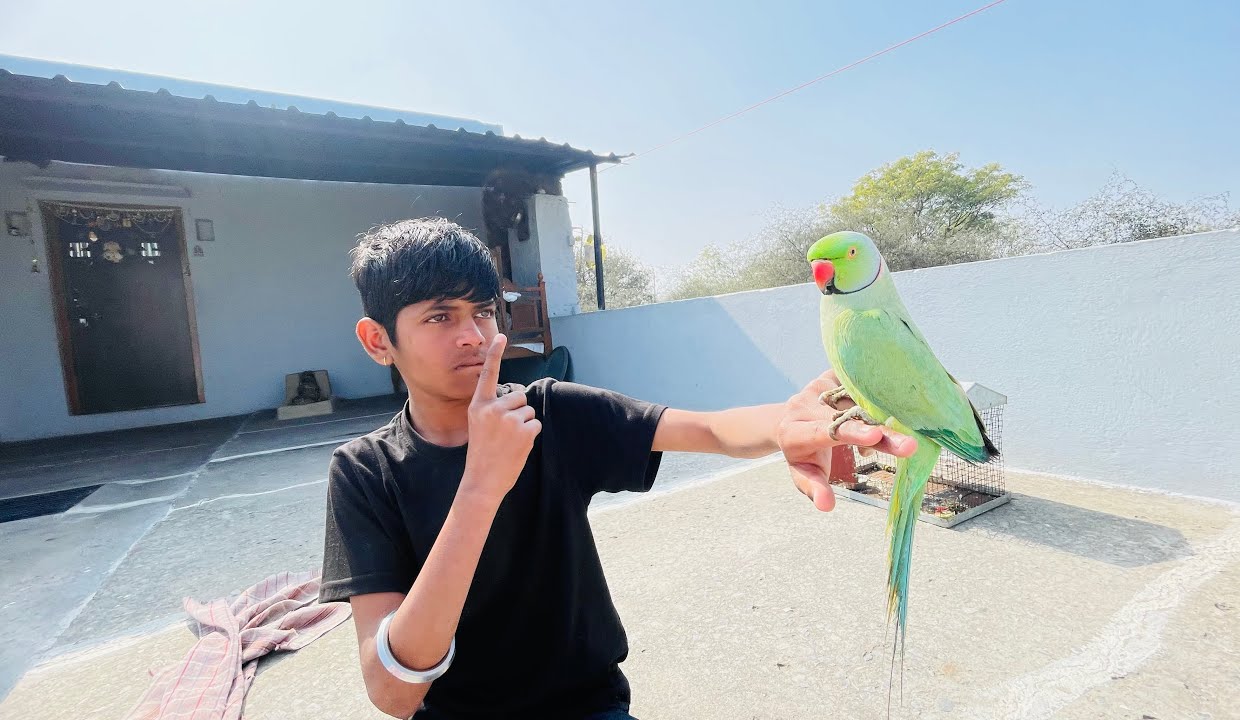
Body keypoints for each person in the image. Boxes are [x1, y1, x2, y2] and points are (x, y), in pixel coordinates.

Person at [320, 218, 916, 720]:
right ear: (378, 341)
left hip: (589, 706)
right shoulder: (365, 472)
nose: (474, 336)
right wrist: (481, 486)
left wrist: (784, 424)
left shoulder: (550, 412)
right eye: (439, 317)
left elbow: (705, 428)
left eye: (483, 311)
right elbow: (394, 692)